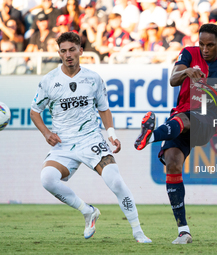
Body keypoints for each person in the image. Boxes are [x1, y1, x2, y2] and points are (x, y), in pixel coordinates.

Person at [134, 23, 217, 244]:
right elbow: (173, 79)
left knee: (187, 118)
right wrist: (186, 72)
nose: (204, 49)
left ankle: (150, 136)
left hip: (208, 122)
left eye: (210, 45)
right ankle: (184, 231)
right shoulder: (189, 53)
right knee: (173, 163)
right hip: (179, 117)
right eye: (201, 44)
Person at [30, 32, 152, 243]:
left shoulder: (93, 78)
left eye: (72, 50)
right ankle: (87, 211)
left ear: (80, 51)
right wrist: (46, 133)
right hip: (63, 143)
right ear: (59, 53)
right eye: (63, 51)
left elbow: (104, 109)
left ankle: (138, 231)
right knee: (47, 179)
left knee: (115, 180)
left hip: (91, 139)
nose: (68, 55)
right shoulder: (48, 80)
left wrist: (111, 135)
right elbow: (34, 111)